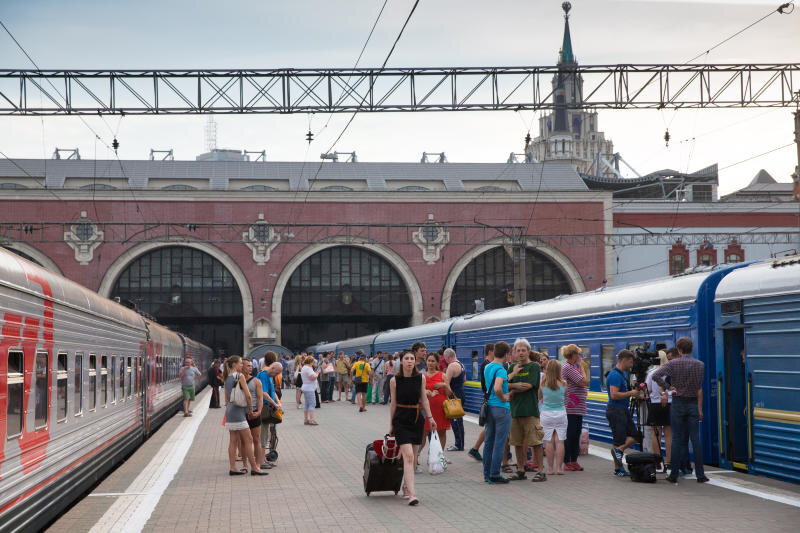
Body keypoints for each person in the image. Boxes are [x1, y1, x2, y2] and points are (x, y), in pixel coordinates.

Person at [651, 337, 708, 484]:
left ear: (679, 349)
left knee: (677, 438)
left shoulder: (673, 364)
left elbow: (656, 375)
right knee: (695, 438)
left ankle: (674, 474)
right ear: (691, 349)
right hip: (693, 403)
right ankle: (700, 475)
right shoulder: (700, 365)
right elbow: (699, 385)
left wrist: (669, 387)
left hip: (678, 403)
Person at [390, 349, 436, 506]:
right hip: (400, 421)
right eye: (406, 358)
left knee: (413, 458)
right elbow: (393, 403)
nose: (409, 361)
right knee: (408, 456)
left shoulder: (420, 378)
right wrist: (391, 424)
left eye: (411, 358)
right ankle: (412, 494)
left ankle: (405, 485)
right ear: (401, 361)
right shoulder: (394, 381)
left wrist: (430, 417)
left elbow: (424, 399)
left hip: (416, 420)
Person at [507, 339, 545, 482]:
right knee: (517, 443)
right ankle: (520, 470)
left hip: (530, 411)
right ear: (515, 353)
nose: (521, 353)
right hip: (515, 411)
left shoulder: (534, 367)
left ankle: (541, 471)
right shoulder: (512, 368)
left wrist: (512, 386)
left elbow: (529, 386)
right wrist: (516, 385)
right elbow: (505, 385)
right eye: (518, 350)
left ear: (528, 352)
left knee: (535, 442)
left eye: (523, 350)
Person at [222, 356, 268, 476]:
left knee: (233, 441)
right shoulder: (240, 376)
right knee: (249, 440)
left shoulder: (226, 377)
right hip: (239, 412)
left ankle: (233, 468)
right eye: (241, 363)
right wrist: (251, 409)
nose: (242, 365)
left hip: (230, 411)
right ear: (234, 365)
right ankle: (255, 468)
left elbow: (226, 398)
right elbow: (248, 395)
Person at [606, 350, 645, 477]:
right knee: (618, 440)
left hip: (622, 409)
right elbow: (614, 395)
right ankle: (618, 469)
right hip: (616, 410)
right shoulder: (615, 375)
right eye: (630, 361)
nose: (631, 364)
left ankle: (619, 451)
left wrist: (637, 396)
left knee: (635, 436)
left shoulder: (621, 374)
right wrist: (631, 393)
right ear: (623, 360)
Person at [482, 341, 512, 484]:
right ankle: (495, 474)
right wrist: (504, 397)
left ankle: (487, 474)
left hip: (489, 409)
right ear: (506, 354)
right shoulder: (501, 369)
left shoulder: (487, 367)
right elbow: (498, 388)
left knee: (488, 442)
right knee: (500, 443)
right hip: (501, 409)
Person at [644, 350, 673, 472]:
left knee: (655, 434)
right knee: (669, 435)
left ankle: (657, 463)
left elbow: (648, 390)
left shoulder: (651, 373)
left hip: (655, 405)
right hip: (669, 404)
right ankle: (669, 463)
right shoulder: (669, 372)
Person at [562, 344, 589, 471]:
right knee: (571, 434)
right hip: (572, 406)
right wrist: (582, 366)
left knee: (576, 433)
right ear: (573, 355)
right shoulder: (568, 367)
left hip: (577, 406)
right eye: (578, 353)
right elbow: (583, 381)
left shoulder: (572, 367)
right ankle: (568, 460)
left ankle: (574, 460)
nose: (579, 356)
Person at [421, 352, 451, 461]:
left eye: (433, 361)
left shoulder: (443, 375)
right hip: (426, 409)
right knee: (423, 433)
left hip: (440, 409)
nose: (430, 363)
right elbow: (419, 392)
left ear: (437, 363)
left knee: (441, 432)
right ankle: (417, 455)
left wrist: (444, 385)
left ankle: (440, 457)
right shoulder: (422, 377)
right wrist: (426, 391)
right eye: (428, 360)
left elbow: (449, 394)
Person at [540, 359, 567, 475]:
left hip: (546, 414)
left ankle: (550, 469)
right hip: (561, 413)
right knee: (560, 441)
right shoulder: (564, 383)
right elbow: (564, 396)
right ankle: (559, 469)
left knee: (549, 442)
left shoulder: (543, 383)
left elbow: (539, 397)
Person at [467, 343, 494, 462]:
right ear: (489, 352)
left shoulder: (486, 364)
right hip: (489, 398)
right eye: (495, 351)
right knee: (489, 427)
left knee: (489, 427)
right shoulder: (487, 365)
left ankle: (475, 449)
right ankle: (476, 449)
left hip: (488, 397)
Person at [256, 360, 283, 469]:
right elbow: (263, 393)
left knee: (266, 434)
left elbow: (273, 392)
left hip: (268, 407)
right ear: (272, 368)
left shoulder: (270, 376)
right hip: (263, 408)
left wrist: (278, 403)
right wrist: (275, 404)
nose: (276, 375)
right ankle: (261, 461)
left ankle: (263, 459)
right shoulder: (264, 375)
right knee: (263, 435)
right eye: (276, 373)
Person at [242, 360, 265, 467]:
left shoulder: (256, 381)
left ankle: (258, 465)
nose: (250, 368)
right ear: (241, 366)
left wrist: (259, 412)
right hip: (241, 413)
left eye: (251, 366)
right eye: (248, 366)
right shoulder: (236, 380)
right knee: (243, 441)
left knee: (256, 439)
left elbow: (260, 398)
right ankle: (245, 465)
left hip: (254, 412)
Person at [443, 348, 466, 452]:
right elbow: (464, 380)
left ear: (448, 357)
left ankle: (458, 445)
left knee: (455, 421)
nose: (445, 361)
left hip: (454, 395)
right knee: (459, 420)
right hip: (461, 393)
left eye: (445, 359)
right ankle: (461, 444)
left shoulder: (451, 366)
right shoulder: (461, 365)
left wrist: (448, 396)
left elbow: (446, 384)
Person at [300, 356, 320, 425]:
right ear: (311, 362)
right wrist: (317, 373)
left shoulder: (304, 367)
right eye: (313, 362)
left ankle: (306, 420)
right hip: (309, 388)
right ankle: (311, 420)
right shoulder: (308, 368)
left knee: (307, 404)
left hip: (306, 387)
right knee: (312, 404)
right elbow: (312, 377)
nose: (314, 363)